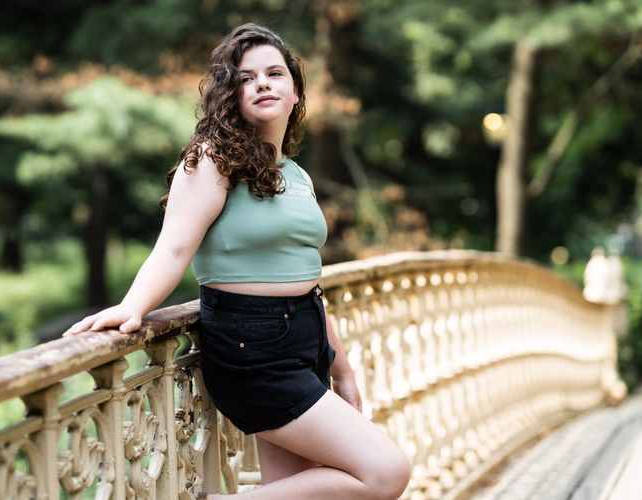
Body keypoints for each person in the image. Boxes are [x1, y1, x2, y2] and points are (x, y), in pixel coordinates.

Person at [64, 23, 410, 499]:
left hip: (307, 340)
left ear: (294, 91)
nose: (262, 83)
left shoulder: (296, 174)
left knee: (291, 491)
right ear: (231, 94)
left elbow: (306, 274)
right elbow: (174, 248)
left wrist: (341, 368)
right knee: (385, 472)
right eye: (247, 78)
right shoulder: (212, 160)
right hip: (253, 349)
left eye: (274, 73)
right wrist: (133, 306)